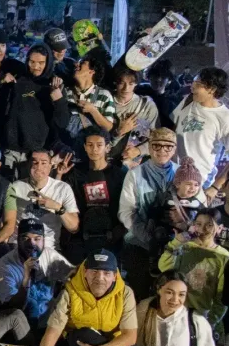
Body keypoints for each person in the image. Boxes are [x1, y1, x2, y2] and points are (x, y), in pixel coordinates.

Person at [0, 43, 69, 178]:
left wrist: (59, 100)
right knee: (11, 189)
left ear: (48, 62)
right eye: (32, 62)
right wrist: (0, 83)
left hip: (40, 154)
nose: (36, 66)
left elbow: (62, 122)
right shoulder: (17, 80)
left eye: (41, 63)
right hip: (13, 151)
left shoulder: (55, 85)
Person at [119, 127, 179, 293]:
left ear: (174, 149)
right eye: (157, 145)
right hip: (140, 244)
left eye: (168, 146)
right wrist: (147, 236)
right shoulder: (135, 174)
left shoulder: (183, 173)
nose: (162, 151)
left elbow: (198, 205)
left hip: (175, 246)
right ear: (150, 147)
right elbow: (126, 212)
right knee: (141, 293)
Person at [56, 126, 127, 262]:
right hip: (81, 235)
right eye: (90, 145)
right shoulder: (75, 173)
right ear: (84, 147)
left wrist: (119, 231)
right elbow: (59, 197)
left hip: (112, 235)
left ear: (107, 147)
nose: (94, 149)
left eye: (99, 145)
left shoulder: (120, 174)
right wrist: (59, 175)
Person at [0, 219, 73, 328]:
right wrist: (26, 278)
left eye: (37, 239)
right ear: (18, 240)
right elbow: (12, 307)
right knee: (31, 304)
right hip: (19, 325)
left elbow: (74, 275)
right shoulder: (4, 265)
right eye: (25, 238)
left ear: (43, 240)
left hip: (50, 322)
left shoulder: (50, 255)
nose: (31, 244)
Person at [158, 209, 229, 328]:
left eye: (209, 225)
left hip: (200, 315)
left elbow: (222, 296)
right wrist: (175, 243)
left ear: (219, 228)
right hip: (174, 310)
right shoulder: (184, 246)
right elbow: (164, 267)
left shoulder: (224, 257)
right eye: (198, 224)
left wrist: (211, 321)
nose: (203, 229)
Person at [3, 149, 79, 253]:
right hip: (17, 248)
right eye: (35, 162)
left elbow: (74, 228)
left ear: (50, 166)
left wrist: (57, 207)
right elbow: (4, 222)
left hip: (48, 250)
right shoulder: (15, 187)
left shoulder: (63, 188)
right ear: (28, 165)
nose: (39, 167)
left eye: (44, 163)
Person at [172, 68, 229, 189]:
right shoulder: (188, 101)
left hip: (199, 183)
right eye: (193, 82)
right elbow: (171, 128)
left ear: (212, 89)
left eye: (198, 85)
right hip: (173, 177)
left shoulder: (224, 117)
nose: (192, 87)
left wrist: (215, 187)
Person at [110, 67, 159, 161]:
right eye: (121, 83)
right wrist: (119, 132)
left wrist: (139, 150)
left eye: (131, 83)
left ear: (136, 83)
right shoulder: (106, 101)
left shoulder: (146, 105)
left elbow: (157, 138)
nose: (126, 88)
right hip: (107, 159)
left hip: (134, 162)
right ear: (115, 82)